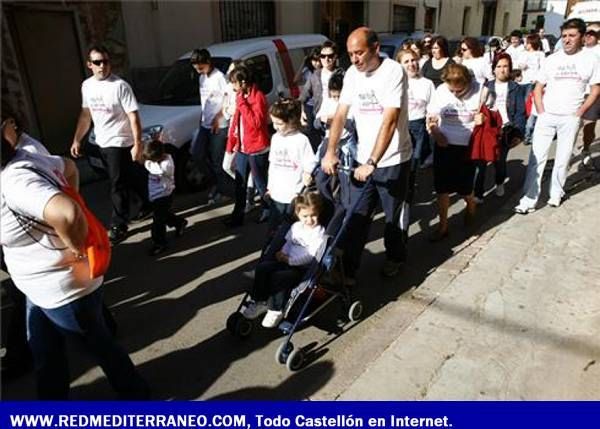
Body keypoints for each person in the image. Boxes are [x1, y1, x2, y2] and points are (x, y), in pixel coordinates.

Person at [1, 138, 148, 400]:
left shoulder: (14, 182)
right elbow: (69, 167)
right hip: (38, 288)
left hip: (61, 290)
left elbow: (67, 213)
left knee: (100, 347)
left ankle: (137, 396)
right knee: (46, 355)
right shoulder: (27, 154)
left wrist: (75, 242)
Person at [321, 27, 412, 279]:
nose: (354, 59)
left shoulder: (393, 71)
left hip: (393, 158)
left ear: (376, 48)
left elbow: (390, 119)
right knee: (357, 217)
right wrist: (331, 151)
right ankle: (349, 271)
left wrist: (373, 161)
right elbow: (340, 113)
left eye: (359, 53)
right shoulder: (352, 74)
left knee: (391, 219)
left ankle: (395, 257)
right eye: (350, 54)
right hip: (363, 159)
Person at [515, 18, 600, 213]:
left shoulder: (591, 59)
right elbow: (538, 87)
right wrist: (541, 110)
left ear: (582, 36)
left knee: (562, 159)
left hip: (570, 117)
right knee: (537, 159)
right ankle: (528, 200)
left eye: (572, 36)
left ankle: (556, 194)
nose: (567, 40)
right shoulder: (552, 59)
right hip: (547, 115)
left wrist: (578, 113)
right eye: (564, 36)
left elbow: (595, 90)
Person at [71, 44, 149, 245]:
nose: (102, 66)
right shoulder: (86, 86)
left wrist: (137, 144)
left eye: (105, 61)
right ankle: (146, 205)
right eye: (97, 62)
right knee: (126, 178)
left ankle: (118, 224)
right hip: (101, 141)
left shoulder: (120, 86)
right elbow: (86, 114)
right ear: (90, 64)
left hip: (120, 141)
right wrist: (77, 139)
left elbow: (133, 116)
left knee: (116, 184)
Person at [240, 192, 327, 328]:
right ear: (298, 214)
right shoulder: (295, 227)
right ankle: (259, 301)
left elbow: (311, 255)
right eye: (305, 216)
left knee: (279, 277)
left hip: (302, 269)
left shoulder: (319, 232)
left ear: (319, 214)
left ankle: (276, 309)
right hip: (286, 261)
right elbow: (288, 243)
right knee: (263, 268)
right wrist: (282, 253)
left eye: (313, 215)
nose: (310, 220)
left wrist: (289, 260)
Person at [426, 64, 486, 241]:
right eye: (452, 90)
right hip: (443, 145)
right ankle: (443, 226)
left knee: (464, 189)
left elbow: (492, 114)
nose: (455, 94)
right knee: (442, 189)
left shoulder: (480, 90)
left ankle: (471, 205)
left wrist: (482, 118)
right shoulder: (441, 91)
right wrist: (436, 133)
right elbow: (431, 118)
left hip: (467, 146)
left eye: (459, 90)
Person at [474, 53, 526, 202]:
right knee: (481, 163)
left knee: (499, 161)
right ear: (494, 69)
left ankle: (499, 182)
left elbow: (520, 112)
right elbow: (478, 107)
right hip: (487, 129)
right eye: (499, 66)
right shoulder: (486, 86)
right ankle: (478, 193)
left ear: (510, 69)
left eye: (505, 66)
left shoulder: (515, 88)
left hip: (505, 130)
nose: (502, 70)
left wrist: (518, 133)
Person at [224, 64, 270, 227]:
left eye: (234, 83)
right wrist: (232, 143)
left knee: (260, 181)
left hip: (257, 147)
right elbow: (236, 122)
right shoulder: (240, 96)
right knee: (240, 183)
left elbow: (256, 123)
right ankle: (237, 216)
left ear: (243, 82)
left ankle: (268, 210)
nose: (233, 86)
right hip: (243, 147)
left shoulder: (258, 96)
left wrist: (242, 104)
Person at [265, 98, 317, 232]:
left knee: (290, 229)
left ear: (291, 121)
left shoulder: (301, 140)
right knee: (274, 229)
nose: (275, 127)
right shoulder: (275, 138)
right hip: (277, 192)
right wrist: (270, 186)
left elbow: (310, 162)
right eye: (274, 123)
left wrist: (307, 172)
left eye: (279, 123)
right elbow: (272, 165)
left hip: (293, 193)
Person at [189, 48, 231, 205]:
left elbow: (228, 100)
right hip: (204, 124)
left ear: (208, 62)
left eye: (200, 67)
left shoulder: (220, 77)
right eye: (196, 68)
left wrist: (218, 118)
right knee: (196, 153)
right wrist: (202, 119)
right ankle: (217, 184)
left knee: (217, 160)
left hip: (219, 126)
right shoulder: (202, 78)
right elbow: (205, 101)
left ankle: (224, 191)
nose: (198, 70)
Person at [396, 49, 435, 201]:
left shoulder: (427, 83)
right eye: (406, 61)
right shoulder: (396, 82)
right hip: (399, 126)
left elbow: (432, 107)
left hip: (418, 126)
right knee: (399, 164)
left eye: (413, 60)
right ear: (399, 65)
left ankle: (408, 196)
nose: (411, 64)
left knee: (413, 164)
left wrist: (431, 122)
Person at [142, 140, 188, 255]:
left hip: (164, 195)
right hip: (154, 194)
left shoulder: (166, 165)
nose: (150, 161)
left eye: (152, 160)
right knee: (163, 215)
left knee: (158, 221)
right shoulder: (154, 161)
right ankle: (179, 222)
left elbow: (151, 167)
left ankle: (160, 243)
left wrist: (145, 161)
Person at [299, 41, 342, 151]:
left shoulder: (342, 74)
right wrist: (302, 111)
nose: (326, 59)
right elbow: (304, 95)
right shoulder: (315, 75)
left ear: (335, 56)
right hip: (320, 116)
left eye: (330, 56)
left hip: (338, 115)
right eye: (323, 56)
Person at [581, 28, 600, 168]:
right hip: (576, 92)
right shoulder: (578, 51)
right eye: (586, 34)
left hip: (593, 93)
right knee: (572, 125)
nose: (588, 37)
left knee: (589, 125)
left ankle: (586, 149)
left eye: (591, 34)